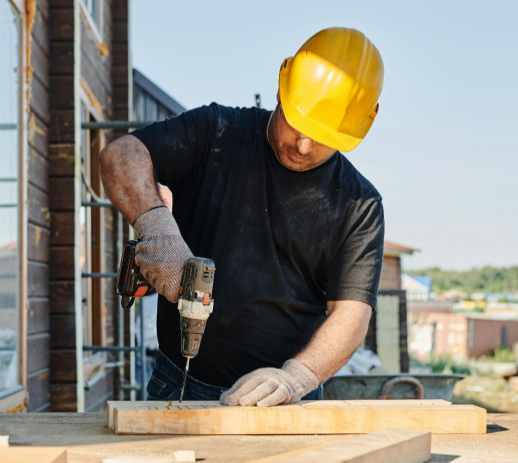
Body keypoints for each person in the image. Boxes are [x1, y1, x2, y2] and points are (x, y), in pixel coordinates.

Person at [100, 28, 386, 407]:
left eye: (322, 136)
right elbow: (122, 154)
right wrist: (156, 226)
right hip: (180, 383)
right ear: (282, 90)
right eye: (297, 124)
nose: (303, 145)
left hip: (285, 398)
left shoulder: (359, 204)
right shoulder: (217, 133)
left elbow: (351, 317)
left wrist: (296, 377)